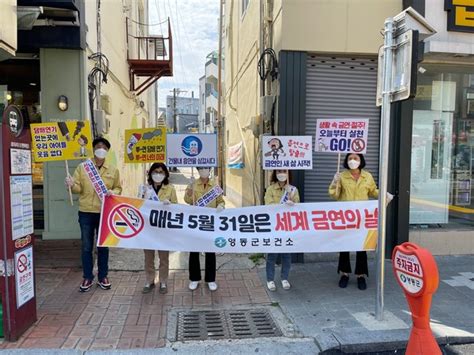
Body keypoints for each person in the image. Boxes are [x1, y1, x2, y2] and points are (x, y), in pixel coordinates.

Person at [328, 153, 393, 290]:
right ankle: (344, 274)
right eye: (350, 158)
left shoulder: (367, 176)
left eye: (355, 158)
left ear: (361, 160)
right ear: (346, 160)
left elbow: (373, 192)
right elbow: (334, 195)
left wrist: (383, 194)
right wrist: (335, 182)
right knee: (344, 246)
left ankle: (361, 275)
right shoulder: (342, 176)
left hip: (362, 217)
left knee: (361, 246)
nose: (352, 160)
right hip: (345, 216)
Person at [65, 137, 122, 292]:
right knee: (86, 246)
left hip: (105, 213)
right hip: (86, 212)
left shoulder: (113, 170)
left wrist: (113, 192)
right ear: (93, 149)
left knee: (103, 246)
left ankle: (103, 276)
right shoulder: (83, 167)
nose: (101, 149)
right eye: (98, 146)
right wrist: (71, 185)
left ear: (107, 151)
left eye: (104, 147)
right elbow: (78, 188)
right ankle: (87, 277)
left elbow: (118, 188)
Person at [138, 163, 178, 294]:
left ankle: (163, 281)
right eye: (155, 171)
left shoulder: (170, 188)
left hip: (163, 229)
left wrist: (170, 205)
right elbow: (137, 205)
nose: (158, 174)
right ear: (150, 173)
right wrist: (142, 198)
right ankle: (149, 280)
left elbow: (177, 208)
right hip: (148, 229)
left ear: (166, 174)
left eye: (161, 172)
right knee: (148, 257)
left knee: (164, 257)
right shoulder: (145, 188)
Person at [184, 167, 225, 292]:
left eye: (206, 168)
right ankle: (194, 278)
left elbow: (221, 201)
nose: (204, 170)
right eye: (201, 168)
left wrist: (220, 206)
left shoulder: (215, 186)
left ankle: (211, 279)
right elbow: (187, 200)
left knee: (210, 251)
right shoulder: (193, 183)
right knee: (194, 250)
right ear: (198, 170)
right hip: (195, 222)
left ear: (209, 170)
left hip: (209, 222)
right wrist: (190, 188)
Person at [264, 169, 300, 291]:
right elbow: (268, 206)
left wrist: (293, 203)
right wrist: (283, 205)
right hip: (274, 226)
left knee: (286, 254)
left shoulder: (293, 190)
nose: (281, 174)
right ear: (275, 173)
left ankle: (284, 278)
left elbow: (298, 207)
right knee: (272, 255)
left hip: (287, 226)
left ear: (288, 173)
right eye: (279, 171)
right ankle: (270, 279)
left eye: (284, 171)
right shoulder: (270, 189)